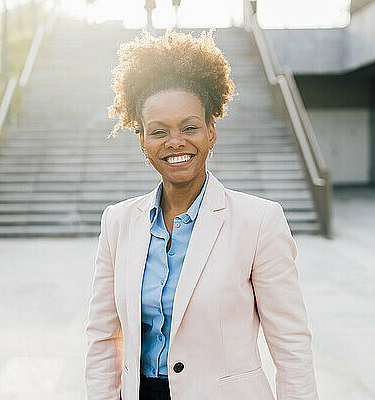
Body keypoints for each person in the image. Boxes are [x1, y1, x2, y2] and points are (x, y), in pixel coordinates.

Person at [85, 29, 319, 400]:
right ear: (143, 142)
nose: (175, 141)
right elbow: (102, 338)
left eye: (190, 127)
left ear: (212, 132)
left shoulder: (259, 222)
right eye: (159, 131)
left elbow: (291, 345)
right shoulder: (117, 222)